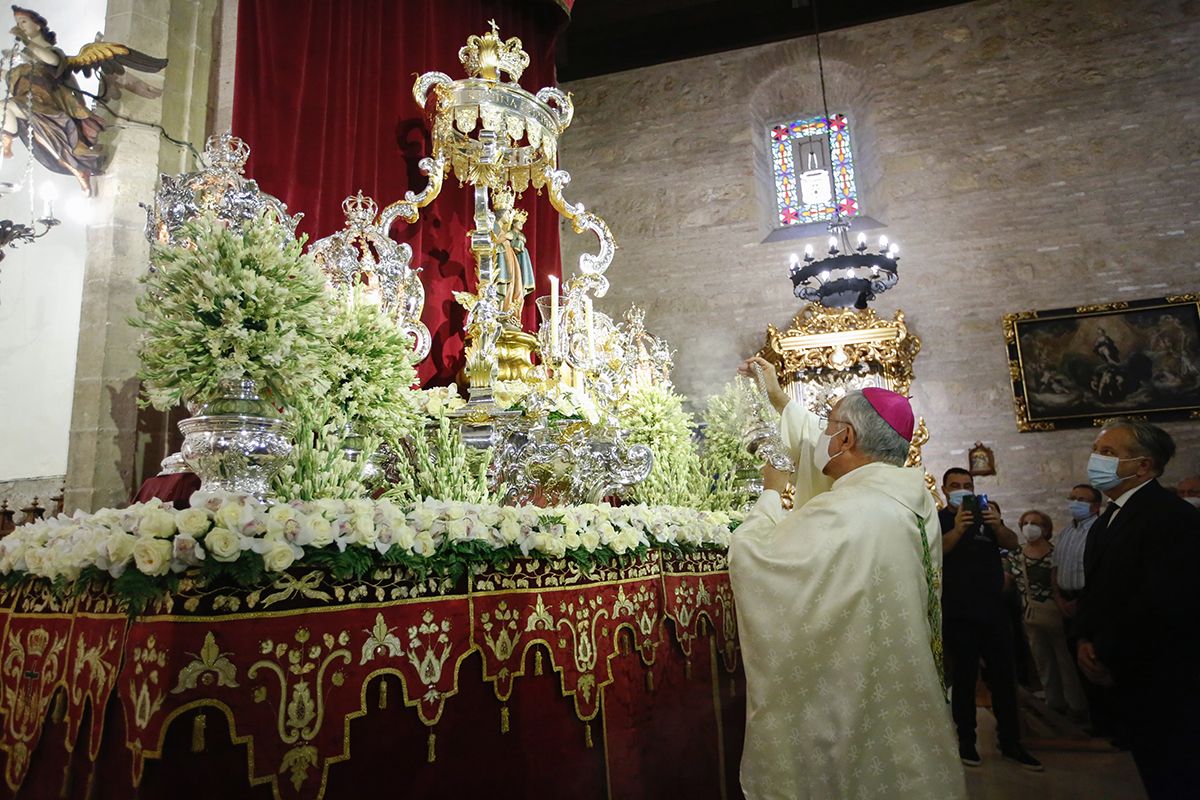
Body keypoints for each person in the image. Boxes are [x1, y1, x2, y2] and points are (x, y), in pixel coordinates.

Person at [729, 358, 965, 800]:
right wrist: (780, 398)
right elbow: (826, 457)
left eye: (828, 426)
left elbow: (757, 559)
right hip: (905, 693)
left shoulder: (849, 510)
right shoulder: (910, 499)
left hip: (854, 704)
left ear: (847, 438)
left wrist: (768, 493)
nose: (821, 435)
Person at [1077, 419, 1200, 798]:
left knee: (1175, 772)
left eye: (1109, 453)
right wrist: (1084, 638)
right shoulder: (1107, 519)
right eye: (1097, 451)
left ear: (1143, 466)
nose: (1097, 459)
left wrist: (1110, 653)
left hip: (1159, 673)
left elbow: (1161, 601)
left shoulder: (1172, 517)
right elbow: (1097, 590)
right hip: (1123, 668)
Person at [940, 468, 1042, 770]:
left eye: (967, 485)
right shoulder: (940, 519)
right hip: (958, 612)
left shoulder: (987, 515)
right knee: (964, 679)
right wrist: (958, 529)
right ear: (945, 490)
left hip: (993, 611)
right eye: (955, 486)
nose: (962, 490)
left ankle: (1011, 743)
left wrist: (998, 527)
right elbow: (934, 550)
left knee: (1003, 679)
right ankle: (967, 742)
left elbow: (1012, 543)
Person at [1007, 510, 1087, 720]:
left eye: (1035, 523)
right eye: (1025, 522)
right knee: (1043, 660)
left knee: (1065, 660)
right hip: (1030, 614)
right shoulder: (1016, 555)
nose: (1029, 527)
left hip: (1056, 613)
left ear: (1046, 528)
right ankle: (1054, 703)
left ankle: (1076, 705)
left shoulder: (1055, 554)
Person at [1051, 483, 1107, 731]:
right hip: (1066, 601)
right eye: (1072, 497)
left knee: (1096, 660)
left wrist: (1081, 601)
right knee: (1077, 662)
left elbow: (1103, 572)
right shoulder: (1065, 533)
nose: (1075, 503)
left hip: (1090, 602)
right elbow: (1055, 569)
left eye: (1081, 499)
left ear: (1095, 506)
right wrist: (1059, 598)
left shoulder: (1102, 530)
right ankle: (1093, 718)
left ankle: (1108, 723)